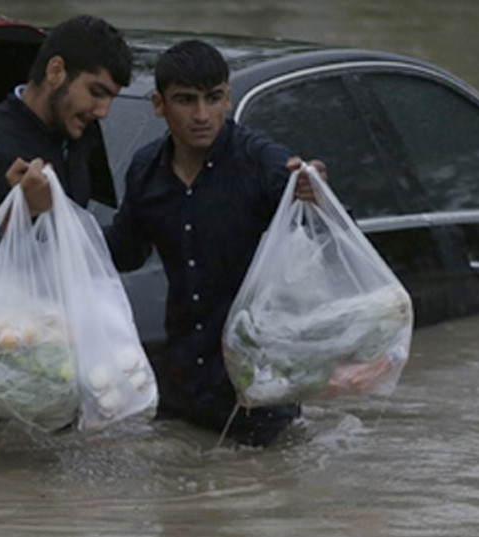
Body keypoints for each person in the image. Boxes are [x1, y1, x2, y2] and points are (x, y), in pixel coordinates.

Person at [0, 14, 134, 461]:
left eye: (111, 98)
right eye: (96, 92)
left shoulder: (79, 142)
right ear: (56, 71)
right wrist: (14, 213)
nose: (103, 111)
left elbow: (76, 244)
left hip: (48, 375)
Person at [105, 39, 321, 447]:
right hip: (181, 392)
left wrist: (315, 193)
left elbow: (316, 225)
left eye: (213, 98)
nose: (202, 115)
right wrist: (52, 223)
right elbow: (125, 252)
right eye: (186, 101)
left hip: (259, 394)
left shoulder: (260, 161)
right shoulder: (146, 171)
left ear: (227, 99)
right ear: (159, 104)